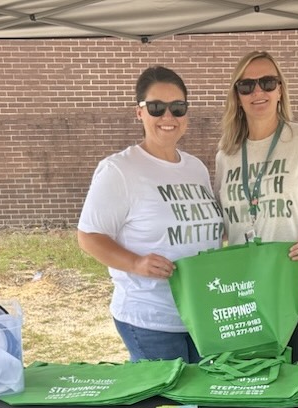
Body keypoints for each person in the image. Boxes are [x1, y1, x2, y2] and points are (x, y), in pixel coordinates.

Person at [78, 65, 224, 363]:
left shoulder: (196, 168)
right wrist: (136, 263)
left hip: (201, 314)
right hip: (150, 318)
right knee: (167, 406)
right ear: (139, 113)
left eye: (177, 107)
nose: (168, 117)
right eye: (156, 107)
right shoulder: (119, 169)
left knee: (205, 403)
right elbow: (89, 236)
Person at [215, 51, 298, 364]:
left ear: (280, 90)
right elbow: (225, 224)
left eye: (267, 82)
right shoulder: (226, 153)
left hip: (296, 292)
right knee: (251, 387)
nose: (257, 92)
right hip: (244, 296)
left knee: (295, 390)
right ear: (237, 95)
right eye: (246, 86)